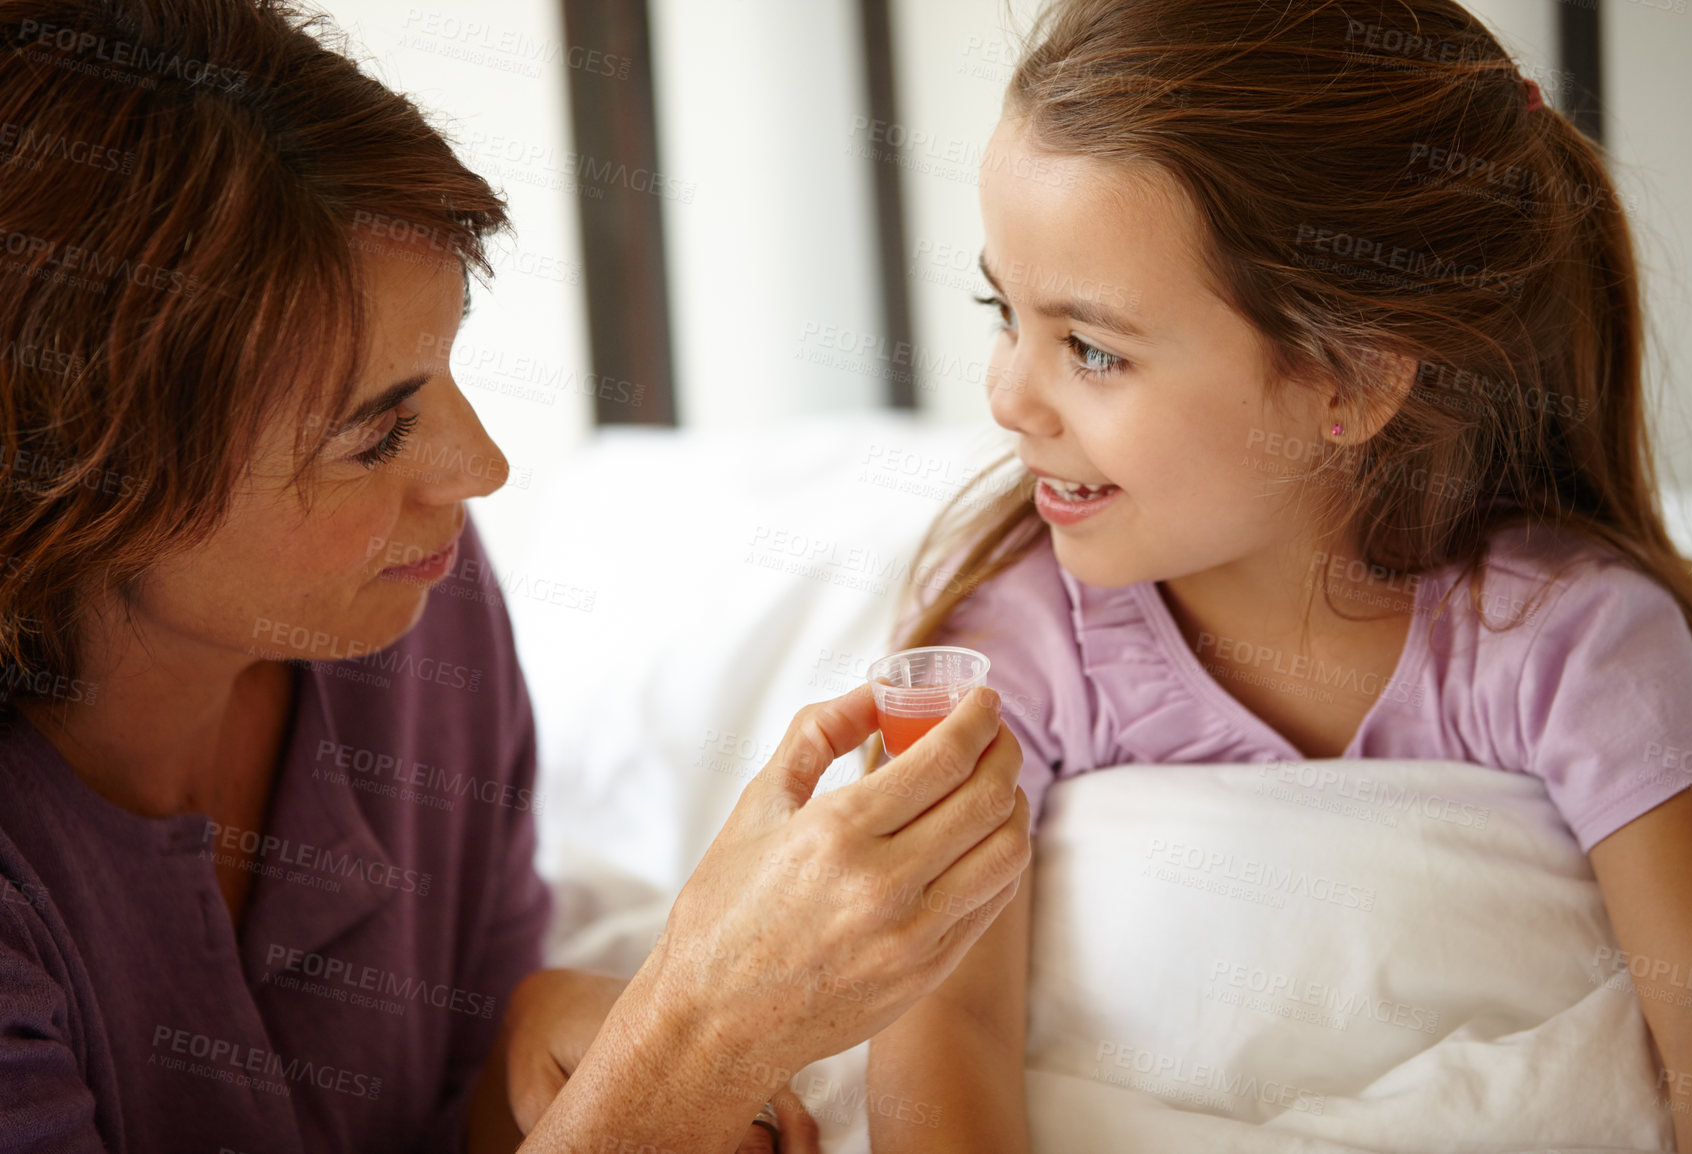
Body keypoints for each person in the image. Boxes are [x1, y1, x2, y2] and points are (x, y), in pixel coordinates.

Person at [0, 2, 1031, 1152]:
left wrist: (521, 1065)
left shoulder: (419, 624)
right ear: (81, 490)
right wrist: (689, 1039)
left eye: (442, 373)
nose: (481, 468)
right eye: (375, 436)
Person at [861, 1, 1692, 1151]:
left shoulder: (1578, 643)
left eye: (1091, 349)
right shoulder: (1012, 646)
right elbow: (942, 1030)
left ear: (1350, 381)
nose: (1007, 396)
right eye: (1000, 312)